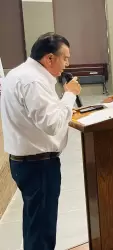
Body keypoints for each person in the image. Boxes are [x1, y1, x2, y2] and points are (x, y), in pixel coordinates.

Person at [0, 32, 81, 250]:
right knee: (42, 231)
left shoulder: (18, 74)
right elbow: (52, 123)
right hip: (39, 165)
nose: (67, 64)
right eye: (65, 58)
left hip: (25, 162)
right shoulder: (34, 81)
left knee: (35, 224)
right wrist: (69, 95)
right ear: (49, 58)